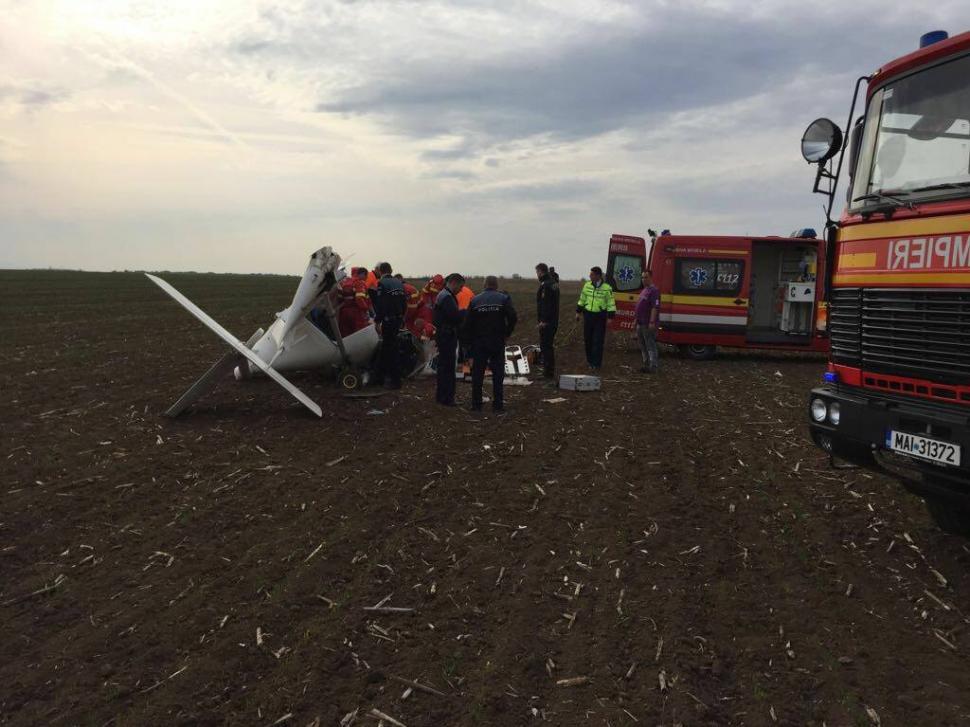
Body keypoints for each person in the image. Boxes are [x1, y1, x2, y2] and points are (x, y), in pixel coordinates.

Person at [463, 276, 517, 412]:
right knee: (498, 374)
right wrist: (507, 333)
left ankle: (476, 404)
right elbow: (513, 317)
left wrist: (468, 344)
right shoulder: (503, 299)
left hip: (479, 341)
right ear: (496, 285)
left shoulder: (475, 300)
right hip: (497, 340)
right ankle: (498, 405)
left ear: (484, 285)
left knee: (478, 374)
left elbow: (467, 324)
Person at [433, 273, 465, 406]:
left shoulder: (443, 295)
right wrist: (466, 312)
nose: (461, 290)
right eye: (461, 286)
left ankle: (441, 396)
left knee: (443, 366)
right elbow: (455, 316)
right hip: (446, 335)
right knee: (448, 367)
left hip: (443, 334)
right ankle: (447, 398)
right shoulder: (446, 297)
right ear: (454, 283)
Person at [575, 265, 616, 370]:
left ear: (598, 276)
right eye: (590, 274)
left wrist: (610, 317)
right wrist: (578, 312)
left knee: (597, 341)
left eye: (592, 274)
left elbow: (611, 303)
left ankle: (596, 364)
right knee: (588, 340)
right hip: (588, 315)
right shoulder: (587, 285)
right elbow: (582, 299)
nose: (590, 275)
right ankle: (590, 362)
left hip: (600, 317)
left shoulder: (607, 288)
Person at [373, 262, 407, 389]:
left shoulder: (382, 284)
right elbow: (404, 302)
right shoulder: (399, 283)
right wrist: (402, 317)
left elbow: (381, 304)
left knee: (390, 349)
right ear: (391, 270)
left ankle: (395, 381)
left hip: (389, 320)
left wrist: (377, 321)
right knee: (387, 349)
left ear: (380, 271)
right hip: (398, 319)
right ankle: (378, 377)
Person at [535, 262, 560, 380]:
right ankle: (547, 370)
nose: (537, 275)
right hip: (553, 320)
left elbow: (546, 305)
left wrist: (543, 321)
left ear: (540, 271)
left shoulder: (546, 285)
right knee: (547, 346)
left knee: (546, 346)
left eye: (537, 272)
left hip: (548, 322)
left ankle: (548, 372)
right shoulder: (553, 283)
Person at [635, 270, 660, 373]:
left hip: (647, 323)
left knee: (650, 345)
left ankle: (653, 366)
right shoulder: (644, 290)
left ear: (651, 278)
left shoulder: (654, 291)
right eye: (642, 277)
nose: (643, 279)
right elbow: (639, 307)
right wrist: (635, 320)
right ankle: (646, 364)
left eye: (645, 277)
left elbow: (655, 307)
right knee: (643, 345)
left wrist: (652, 322)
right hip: (640, 323)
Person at [338, 267, 372, 337]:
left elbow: (340, 297)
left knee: (346, 336)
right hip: (356, 312)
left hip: (344, 313)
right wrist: (366, 309)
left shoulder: (345, 282)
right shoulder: (359, 282)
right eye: (366, 276)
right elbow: (359, 298)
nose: (366, 279)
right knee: (359, 335)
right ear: (362, 274)